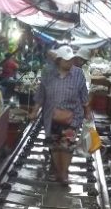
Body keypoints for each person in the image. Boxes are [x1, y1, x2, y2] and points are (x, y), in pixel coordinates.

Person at [30, 46, 90, 186]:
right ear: (58, 61)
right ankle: (58, 170)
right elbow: (40, 95)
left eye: (71, 60)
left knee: (67, 146)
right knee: (55, 146)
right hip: (52, 117)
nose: (70, 63)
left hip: (72, 117)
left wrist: (87, 112)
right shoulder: (48, 74)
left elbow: (84, 96)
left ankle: (64, 173)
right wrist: (34, 111)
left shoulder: (78, 74)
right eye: (66, 60)